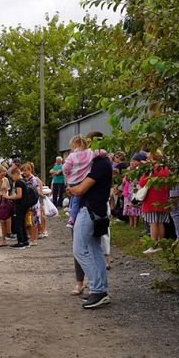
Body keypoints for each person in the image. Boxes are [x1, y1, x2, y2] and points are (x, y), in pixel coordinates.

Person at [67, 131, 113, 309]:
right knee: (94, 251)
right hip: (98, 211)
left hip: (90, 211)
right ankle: (100, 290)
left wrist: (71, 189)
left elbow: (80, 190)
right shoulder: (104, 162)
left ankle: (98, 289)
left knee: (79, 250)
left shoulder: (99, 164)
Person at [63, 135, 108, 229]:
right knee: (77, 199)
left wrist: (67, 174)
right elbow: (102, 153)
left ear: (74, 145)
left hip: (73, 180)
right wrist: (103, 153)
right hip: (84, 179)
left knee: (74, 197)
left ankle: (72, 218)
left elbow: (65, 168)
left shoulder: (72, 156)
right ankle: (72, 211)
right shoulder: (90, 153)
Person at [140, 151, 171, 253]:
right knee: (160, 223)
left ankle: (153, 245)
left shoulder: (151, 169)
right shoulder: (166, 169)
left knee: (153, 223)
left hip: (151, 199)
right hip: (163, 199)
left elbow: (142, 182)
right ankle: (161, 243)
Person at [6, 165, 30, 248]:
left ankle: (20, 241)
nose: (12, 178)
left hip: (20, 205)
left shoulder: (18, 182)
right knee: (22, 222)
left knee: (18, 223)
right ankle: (25, 240)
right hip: (26, 204)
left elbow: (19, 195)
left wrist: (8, 197)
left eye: (12, 176)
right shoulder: (24, 181)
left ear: (16, 174)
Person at [21, 162, 45, 244]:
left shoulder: (33, 180)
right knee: (29, 221)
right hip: (28, 202)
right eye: (23, 171)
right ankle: (32, 238)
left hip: (33, 203)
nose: (24, 172)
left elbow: (36, 192)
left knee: (34, 221)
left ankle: (34, 239)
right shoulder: (25, 179)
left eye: (25, 171)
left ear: (30, 170)